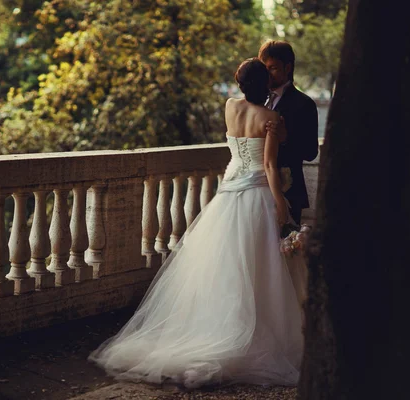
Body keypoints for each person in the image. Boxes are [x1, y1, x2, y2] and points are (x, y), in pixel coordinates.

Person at [88, 58, 303, 389]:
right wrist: (279, 201)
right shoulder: (270, 118)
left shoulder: (230, 106)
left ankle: (213, 325)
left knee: (223, 265)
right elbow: (270, 166)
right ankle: (245, 333)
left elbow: (241, 149)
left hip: (229, 190)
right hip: (256, 191)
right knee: (257, 265)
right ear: (266, 87)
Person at [259, 40, 319, 224]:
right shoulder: (255, 101)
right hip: (256, 190)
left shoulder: (304, 104)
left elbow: (311, 152)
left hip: (289, 191)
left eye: (273, 68)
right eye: (264, 68)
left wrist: (286, 139)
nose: (267, 74)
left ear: (288, 68)